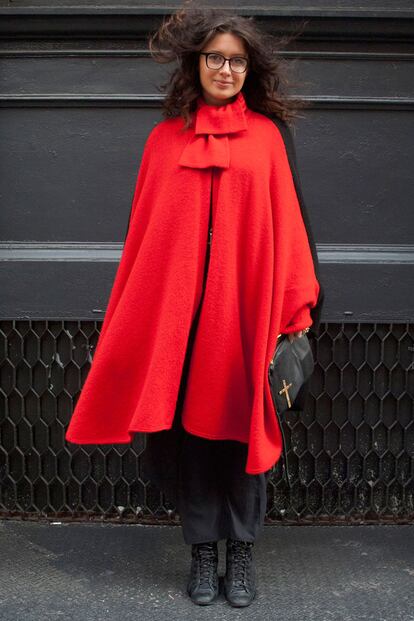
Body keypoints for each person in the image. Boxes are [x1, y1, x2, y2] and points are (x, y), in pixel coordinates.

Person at [65, 2, 324, 609]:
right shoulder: (162, 143)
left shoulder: (266, 141)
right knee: (193, 441)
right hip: (180, 328)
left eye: (236, 60)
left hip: (241, 320)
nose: (226, 70)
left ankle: (243, 555)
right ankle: (203, 553)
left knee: (239, 435)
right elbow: (145, 240)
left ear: (248, 68)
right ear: (196, 64)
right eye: (216, 58)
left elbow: (284, 230)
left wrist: (292, 310)